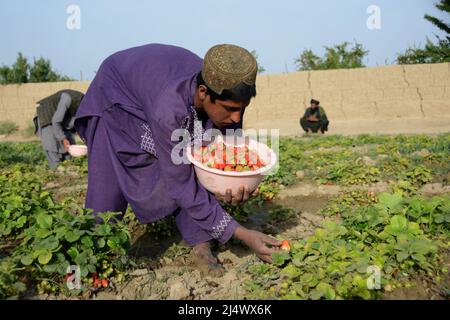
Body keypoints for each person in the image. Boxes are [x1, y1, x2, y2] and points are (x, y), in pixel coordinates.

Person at [74, 43, 282, 271]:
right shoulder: (168, 110)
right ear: (203, 93)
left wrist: (234, 182)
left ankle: (201, 243)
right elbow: (181, 182)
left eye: (242, 109)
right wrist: (243, 234)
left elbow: (224, 153)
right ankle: (92, 254)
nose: (236, 118)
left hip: (151, 88)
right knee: (111, 183)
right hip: (114, 96)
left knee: (196, 157)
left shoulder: (223, 93)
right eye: (230, 109)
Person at [33, 90, 85, 168]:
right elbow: (56, 121)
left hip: (62, 120)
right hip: (47, 116)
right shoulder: (67, 98)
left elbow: (78, 123)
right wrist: (63, 138)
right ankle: (56, 171)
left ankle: (68, 170)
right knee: (53, 147)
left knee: (69, 149)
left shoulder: (86, 106)